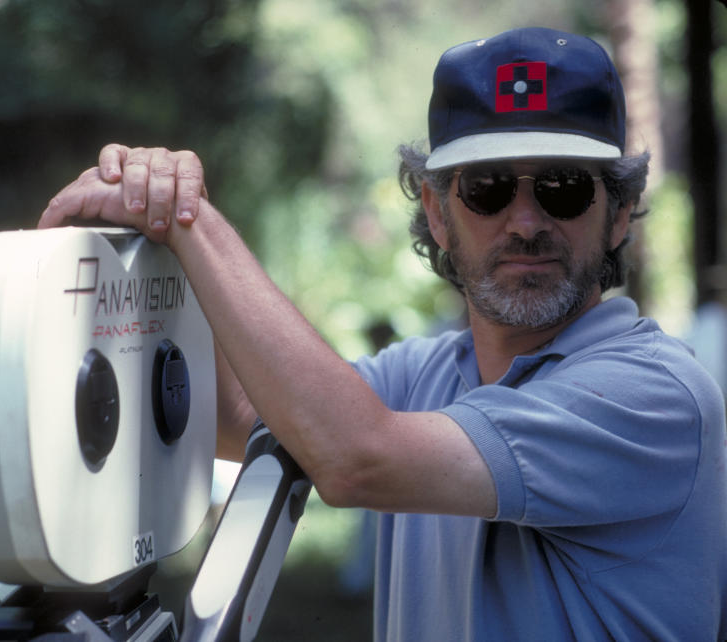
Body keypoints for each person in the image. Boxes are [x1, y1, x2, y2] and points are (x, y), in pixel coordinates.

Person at [39, 27, 727, 641]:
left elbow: (352, 455)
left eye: (564, 186)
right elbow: (255, 415)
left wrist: (184, 220)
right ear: (435, 211)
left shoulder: (652, 397)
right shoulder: (429, 375)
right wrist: (113, 268)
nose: (524, 222)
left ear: (619, 212)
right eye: (487, 187)